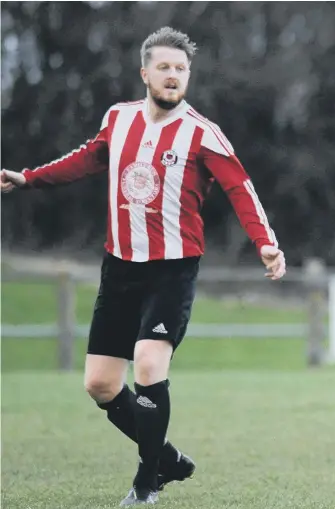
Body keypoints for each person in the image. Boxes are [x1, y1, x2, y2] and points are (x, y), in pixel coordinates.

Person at [1, 26, 286, 506]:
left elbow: (241, 187)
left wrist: (266, 243)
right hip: (120, 267)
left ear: (188, 76)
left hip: (172, 269)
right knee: (99, 384)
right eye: (164, 68)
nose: (173, 76)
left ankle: (146, 483)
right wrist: (28, 179)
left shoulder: (203, 133)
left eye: (181, 69)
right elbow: (88, 159)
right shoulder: (119, 119)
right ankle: (167, 459)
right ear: (145, 73)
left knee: (150, 366)